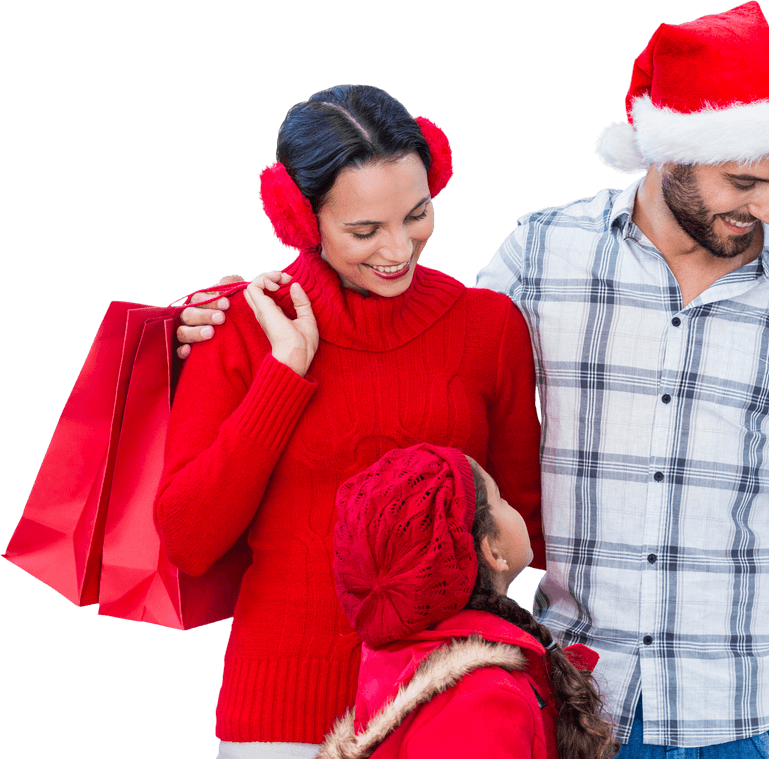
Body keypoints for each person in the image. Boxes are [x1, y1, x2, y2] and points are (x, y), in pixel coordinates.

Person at [178, 4, 769, 753]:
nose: (768, 208)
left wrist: (766, 502)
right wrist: (246, 345)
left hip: (717, 702)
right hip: (518, 701)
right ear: (669, 154)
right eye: (743, 181)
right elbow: (194, 532)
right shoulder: (541, 254)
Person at [153, 84, 546, 758]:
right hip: (279, 720)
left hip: (447, 710)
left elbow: (524, 523)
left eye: (417, 214)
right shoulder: (239, 325)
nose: (398, 248)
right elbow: (188, 538)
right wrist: (285, 373)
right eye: (364, 231)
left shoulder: (489, 328)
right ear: (301, 219)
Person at [315, 443, 617, 759]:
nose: (512, 507)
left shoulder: (404, 662)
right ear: (493, 552)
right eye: (501, 499)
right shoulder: (483, 700)